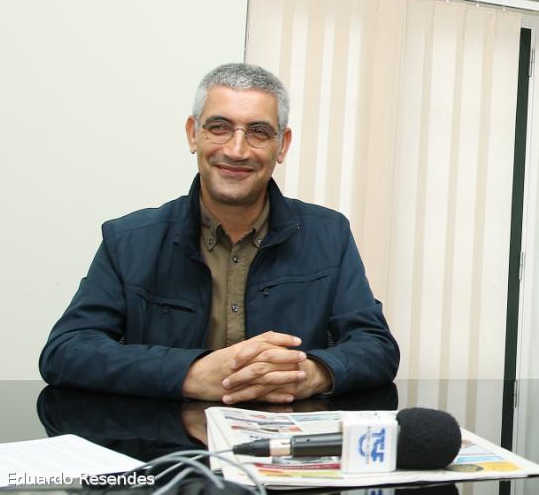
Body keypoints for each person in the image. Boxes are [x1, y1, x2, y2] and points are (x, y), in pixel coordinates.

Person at [39, 63, 400, 403]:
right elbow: (66, 351)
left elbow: (377, 347)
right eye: (219, 127)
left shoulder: (330, 234)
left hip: (284, 440)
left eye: (258, 132)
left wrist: (313, 373)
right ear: (192, 134)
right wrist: (188, 374)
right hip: (166, 442)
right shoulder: (128, 240)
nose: (236, 150)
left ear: (283, 145)